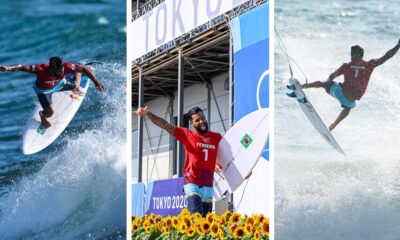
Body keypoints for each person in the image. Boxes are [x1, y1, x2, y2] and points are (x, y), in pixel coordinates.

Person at [134, 106, 222, 216]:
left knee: (205, 223)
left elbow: (228, 156)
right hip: (192, 182)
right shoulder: (187, 134)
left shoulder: (217, 137)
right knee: (196, 217)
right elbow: (165, 125)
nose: (201, 122)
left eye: (202, 118)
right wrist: (148, 113)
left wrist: (242, 172)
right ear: (192, 123)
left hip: (208, 183)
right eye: (197, 120)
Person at [302, 39, 400, 131]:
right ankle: (333, 125)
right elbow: (387, 56)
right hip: (350, 100)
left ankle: (303, 86)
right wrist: (397, 46)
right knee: (349, 106)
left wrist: (328, 83)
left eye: (351, 54)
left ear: (356, 55)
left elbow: (332, 76)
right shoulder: (370, 65)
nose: (350, 56)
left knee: (323, 84)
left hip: (339, 92)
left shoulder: (346, 66)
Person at [0, 56, 104, 127]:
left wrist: (96, 82)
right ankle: (42, 115)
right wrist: (8, 68)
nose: (62, 71)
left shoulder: (66, 67)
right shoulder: (40, 69)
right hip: (44, 91)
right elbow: (21, 67)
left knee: (77, 84)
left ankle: (78, 70)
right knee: (50, 113)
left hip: (60, 84)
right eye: (60, 71)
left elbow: (86, 69)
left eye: (63, 69)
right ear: (52, 69)